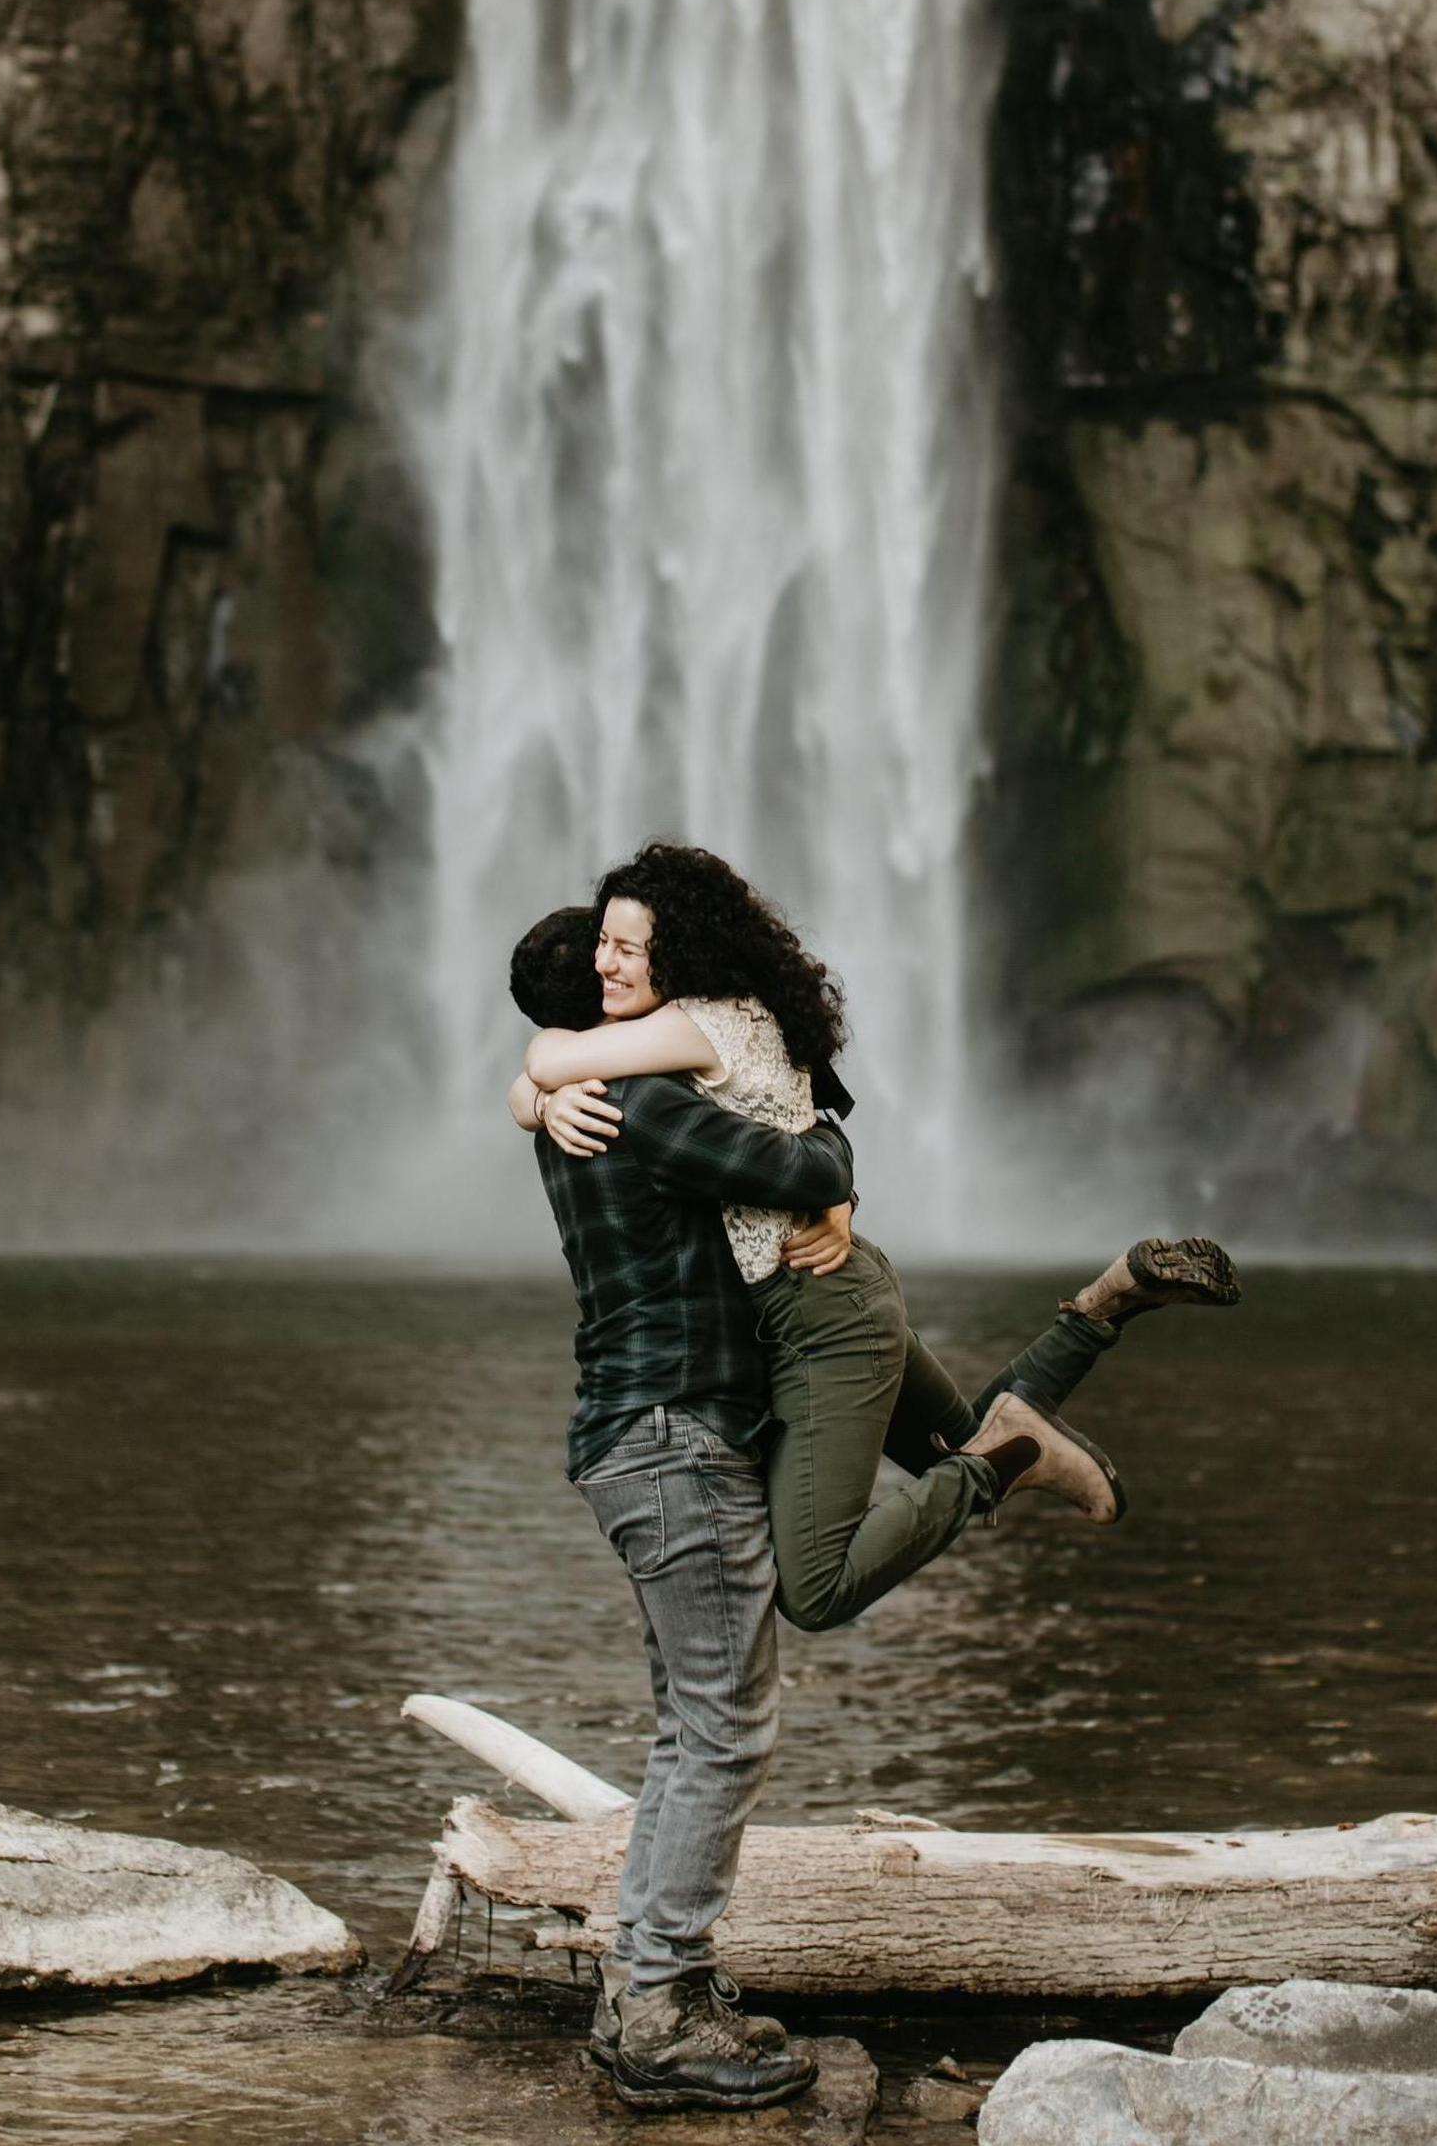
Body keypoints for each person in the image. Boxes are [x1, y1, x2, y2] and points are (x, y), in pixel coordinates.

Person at [508, 844, 1241, 1644]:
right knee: (959, 1445)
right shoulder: (727, 1018)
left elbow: (561, 1056)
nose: (604, 964)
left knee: (821, 1584)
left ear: (677, 949)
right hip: (835, 1288)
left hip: (813, 1308)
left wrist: (536, 1091)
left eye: (623, 947)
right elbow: (809, 1123)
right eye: (599, 947)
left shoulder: (694, 1028)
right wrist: (536, 1101)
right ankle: (1100, 1310)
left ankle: (1014, 1452)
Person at [504, 903, 849, 2114]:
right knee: (726, 1728)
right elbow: (806, 1163)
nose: (628, 974)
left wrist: (531, 1085)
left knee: (688, 1726)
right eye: (607, 960)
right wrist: (834, 1174)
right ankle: (658, 2009)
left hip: (633, 1435)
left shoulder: (575, 1117)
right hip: (675, 1438)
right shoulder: (646, 1108)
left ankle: (648, 1988)